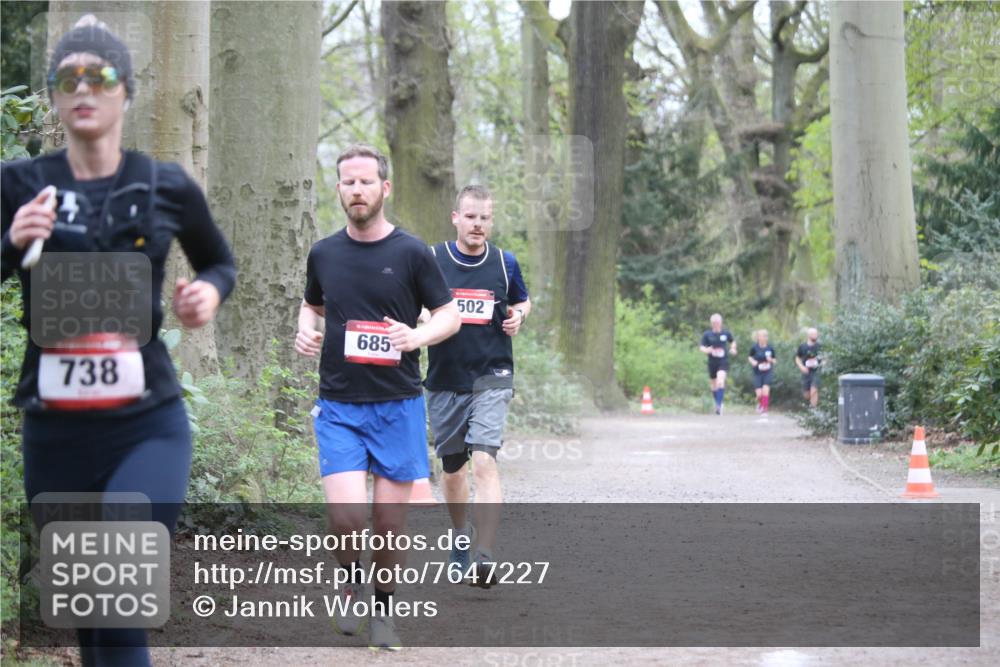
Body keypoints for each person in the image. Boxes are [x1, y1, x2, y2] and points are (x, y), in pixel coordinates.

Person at [1, 16, 236, 667]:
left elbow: (220, 263)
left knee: (118, 584)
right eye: (67, 77)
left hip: (147, 425)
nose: (83, 87)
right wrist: (13, 241)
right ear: (52, 93)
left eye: (98, 75)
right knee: (90, 617)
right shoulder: (19, 185)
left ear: (125, 90)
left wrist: (207, 294)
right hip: (54, 432)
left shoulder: (166, 185)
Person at [294, 143, 460, 650]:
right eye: (348, 182)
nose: (357, 190)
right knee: (346, 520)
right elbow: (311, 306)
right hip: (339, 406)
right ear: (339, 188)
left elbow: (449, 314)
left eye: (366, 182)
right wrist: (305, 331)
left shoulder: (412, 252)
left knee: (388, 528)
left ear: (385, 188)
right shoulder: (324, 252)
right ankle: (349, 583)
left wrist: (417, 337)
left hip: (398, 406)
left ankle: (384, 609)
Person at [423, 185, 530, 588]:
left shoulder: (505, 263)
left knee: (484, 461)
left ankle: (485, 554)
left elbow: (522, 300)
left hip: (493, 376)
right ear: (455, 217)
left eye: (485, 217)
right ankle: (460, 536)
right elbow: (414, 303)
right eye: (471, 216)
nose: (478, 224)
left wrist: (519, 314)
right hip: (444, 380)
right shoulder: (432, 259)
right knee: (452, 471)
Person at [699, 314, 737, 415]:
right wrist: (706, 350)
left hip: (723, 361)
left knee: (720, 381)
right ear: (711, 324)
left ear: (721, 323)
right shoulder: (707, 334)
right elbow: (701, 347)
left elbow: (732, 341)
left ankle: (718, 406)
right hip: (712, 362)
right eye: (714, 323)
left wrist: (733, 348)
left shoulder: (726, 333)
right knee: (713, 384)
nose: (716, 325)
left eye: (718, 323)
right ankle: (718, 403)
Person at [748, 329, 777, 416]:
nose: (760, 338)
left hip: (767, 371)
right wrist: (752, 362)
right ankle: (761, 404)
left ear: (766, 337)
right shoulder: (754, 347)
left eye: (763, 336)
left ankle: (765, 409)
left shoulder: (770, 348)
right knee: (759, 393)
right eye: (759, 336)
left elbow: (775, 360)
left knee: (765, 389)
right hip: (757, 372)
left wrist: (771, 360)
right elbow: (750, 357)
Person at [795, 327, 822, 407]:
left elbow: (826, 357)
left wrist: (823, 363)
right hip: (806, 373)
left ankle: (814, 411)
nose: (815, 336)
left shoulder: (820, 346)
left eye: (816, 334)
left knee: (814, 390)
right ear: (808, 335)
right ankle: (812, 404)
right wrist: (801, 367)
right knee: (806, 394)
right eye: (813, 334)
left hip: (817, 372)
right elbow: (797, 358)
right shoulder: (802, 346)